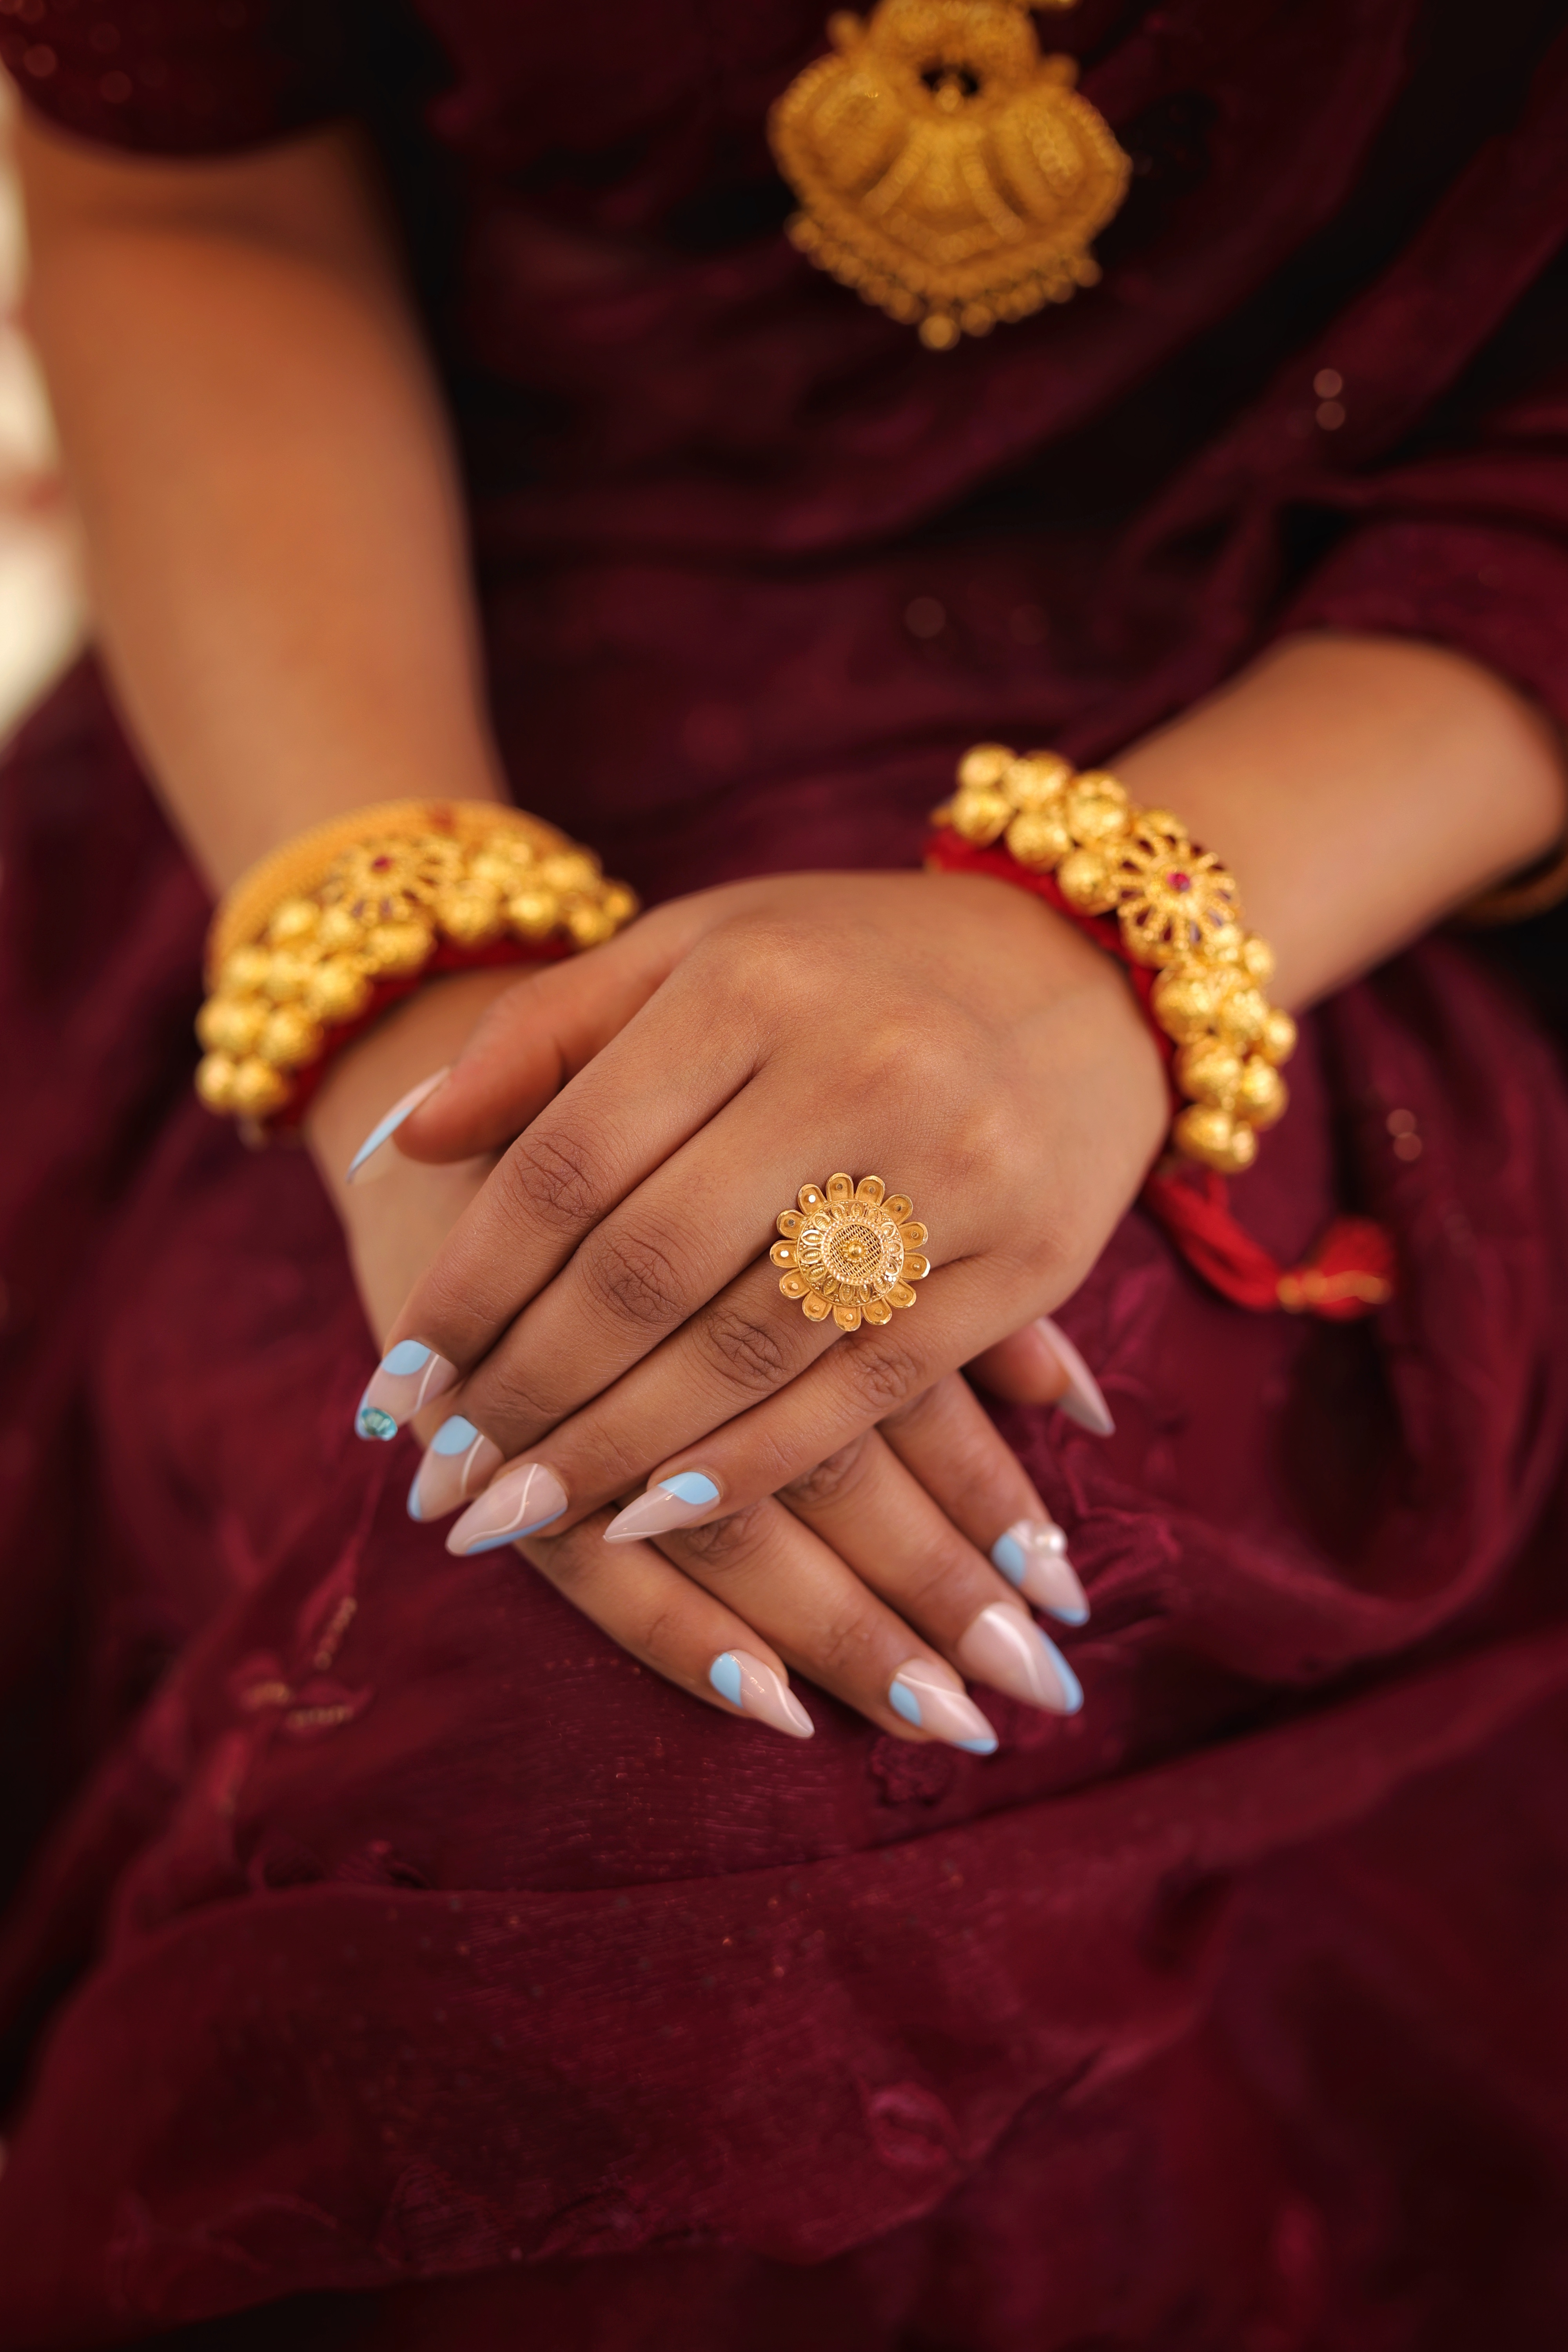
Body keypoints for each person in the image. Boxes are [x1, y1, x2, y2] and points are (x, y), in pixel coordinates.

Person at [2, 2, 1568, 2343]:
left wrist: (1116, 954)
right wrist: (403, 986)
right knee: (528, 1662)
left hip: (1387, 756)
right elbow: (192, 176)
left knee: (702, 1778)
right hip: (394, 664)